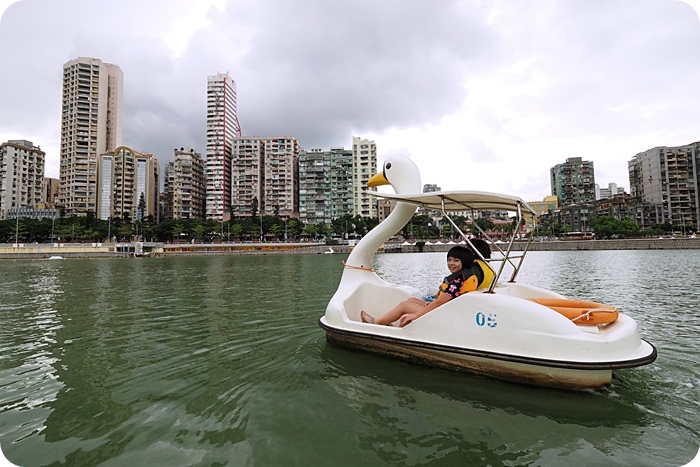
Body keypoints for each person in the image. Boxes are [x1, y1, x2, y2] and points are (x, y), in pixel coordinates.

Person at [360, 246, 477, 327]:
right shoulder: (464, 275)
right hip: (446, 309)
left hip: (445, 314)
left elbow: (440, 302)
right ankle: (392, 324)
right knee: (411, 300)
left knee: (404, 306)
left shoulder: (458, 279)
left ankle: (376, 322)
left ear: (464, 262)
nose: (451, 263)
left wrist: (416, 315)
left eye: (456, 260)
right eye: (449, 260)